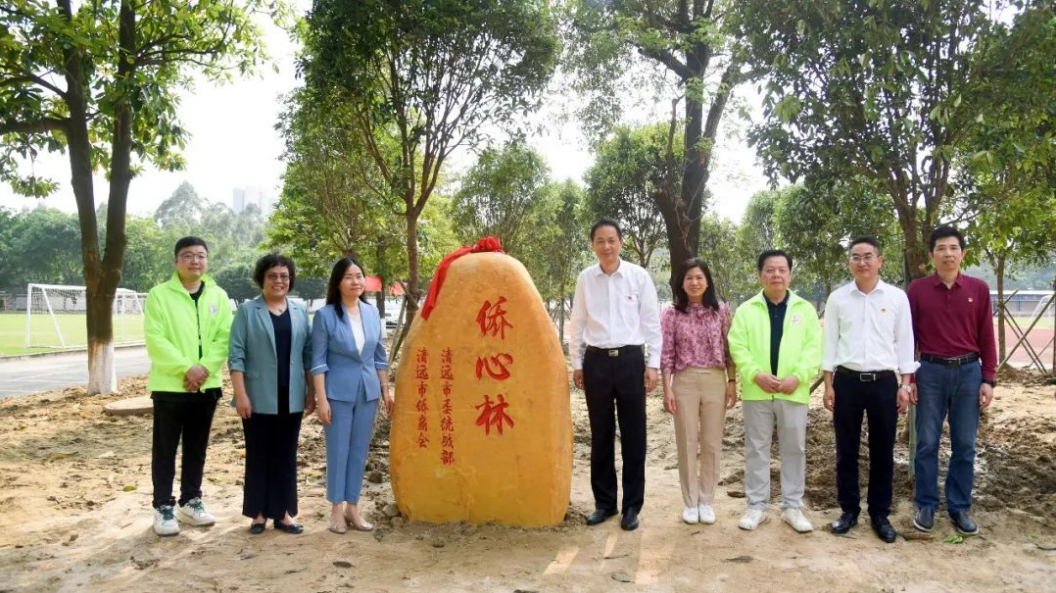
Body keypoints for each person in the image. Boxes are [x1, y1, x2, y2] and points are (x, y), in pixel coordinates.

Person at [821, 237, 916, 543]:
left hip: (884, 384)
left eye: (868, 256)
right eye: (856, 257)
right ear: (848, 261)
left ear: (880, 261)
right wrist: (828, 384)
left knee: (883, 451)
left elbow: (906, 343)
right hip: (847, 382)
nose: (862, 262)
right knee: (846, 451)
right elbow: (830, 344)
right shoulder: (838, 299)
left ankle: (880, 513)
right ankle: (848, 510)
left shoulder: (897, 298)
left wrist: (905, 385)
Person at [570, 218, 662, 531]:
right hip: (596, 361)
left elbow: (651, 323)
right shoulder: (586, 278)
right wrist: (577, 363)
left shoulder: (638, 276)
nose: (606, 246)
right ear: (593, 245)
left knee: (634, 435)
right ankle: (605, 503)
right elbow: (577, 323)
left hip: (631, 360)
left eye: (611, 240)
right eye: (600, 241)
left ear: (621, 242)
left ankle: (632, 507)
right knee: (601, 434)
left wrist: (653, 364)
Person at [907, 226, 997, 536]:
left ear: (963, 253)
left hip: (969, 373)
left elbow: (987, 336)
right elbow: (909, 338)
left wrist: (989, 378)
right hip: (930, 372)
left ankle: (959, 507)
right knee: (927, 441)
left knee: (965, 444)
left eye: (953, 248)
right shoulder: (917, 290)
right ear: (931, 255)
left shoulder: (978, 289)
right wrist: (909, 377)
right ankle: (926, 504)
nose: (948, 254)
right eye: (941, 248)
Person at [727, 249, 821, 533]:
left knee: (795, 448)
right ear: (760, 275)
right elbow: (737, 346)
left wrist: (798, 377)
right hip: (757, 390)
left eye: (782, 270)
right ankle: (756, 506)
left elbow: (814, 348)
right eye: (770, 270)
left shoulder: (805, 310)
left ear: (790, 275)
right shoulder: (747, 310)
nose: (776, 275)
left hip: (793, 391)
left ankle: (792, 507)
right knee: (757, 448)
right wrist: (755, 374)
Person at [145, 236, 232, 536]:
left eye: (200, 255)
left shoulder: (218, 295)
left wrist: (204, 368)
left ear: (206, 260)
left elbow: (224, 337)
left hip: (207, 385)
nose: (195, 261)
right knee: (165, 450)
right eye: (188, 255)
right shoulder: (159, 295)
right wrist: (187, 368)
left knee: (197, 448)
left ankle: (190, 501)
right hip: (170, 387)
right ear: (176, 261)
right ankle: (163, 506)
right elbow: (155, 339)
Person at [229, 253, 314, 535]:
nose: (279, 281)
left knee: (286, 455)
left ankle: (284, 513)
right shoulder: (247, 311)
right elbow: (236, 356)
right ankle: (259, 513)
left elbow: (307, 355)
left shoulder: (300, 311)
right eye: (273, 276)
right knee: (259, 455)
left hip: (292, 396)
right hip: (257, 397)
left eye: (284, 276)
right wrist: (241, 395)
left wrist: (311, 392)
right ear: (262, 279)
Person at [311, 257, 392, 534]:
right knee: (338, 451)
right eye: (349, 277)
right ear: (337, 282)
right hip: (337, 394)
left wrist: (385, 390)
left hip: (368, 392)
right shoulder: (325, 316)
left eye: (359, 276)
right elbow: (318, 362)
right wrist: (321, 399)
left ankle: (353, 508)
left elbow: (379, 356)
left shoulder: (371, 313)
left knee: (359, 451)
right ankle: (336, 508)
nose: (356, 281)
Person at [660, 258, 737, 525]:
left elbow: (728, 349)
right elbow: (666, 353)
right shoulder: (671, 313)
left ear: (707, 281)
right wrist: (667, 388)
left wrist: (732, 381)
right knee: (687, 441)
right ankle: (690, 502)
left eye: (699, 277)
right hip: (684, 380)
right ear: (681, 282)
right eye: (689, 278)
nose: (694, 282)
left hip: (716, 379)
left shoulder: (721, 311)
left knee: (712, 443)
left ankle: (706, 500)